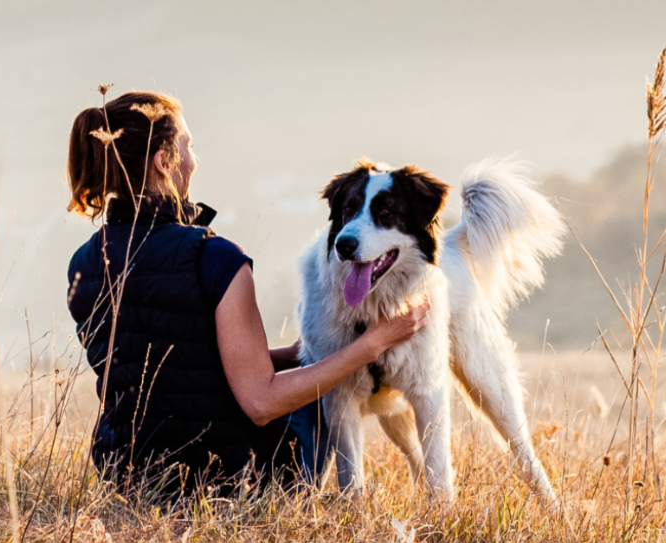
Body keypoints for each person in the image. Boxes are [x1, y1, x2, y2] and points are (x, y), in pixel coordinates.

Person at [65, 90, 428, 498]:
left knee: (308, 370)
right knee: (322, 387)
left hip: (127, 480)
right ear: (163, 162)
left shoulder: (85, 264)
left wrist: (287, 356)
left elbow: (170, 364)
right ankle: (332, 498)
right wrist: (371, 344)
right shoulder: (215, 259)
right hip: (228, 483)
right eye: (188, 146)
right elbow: (261, 402)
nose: (194, 160)